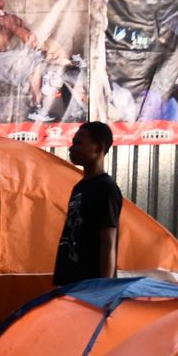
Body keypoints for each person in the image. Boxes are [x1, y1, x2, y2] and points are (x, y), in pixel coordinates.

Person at [52, 122, 122, 286]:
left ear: (98, 148)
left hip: (91, 285)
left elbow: (108, 241)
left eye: (78, 143)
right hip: (71, 281)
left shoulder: (106, 188)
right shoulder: (80, 187)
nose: (71, 148)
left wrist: (104, 287)